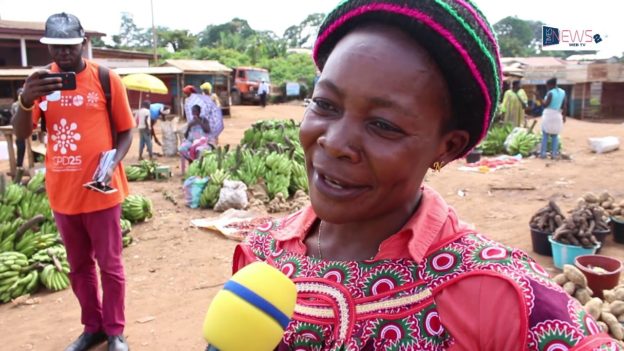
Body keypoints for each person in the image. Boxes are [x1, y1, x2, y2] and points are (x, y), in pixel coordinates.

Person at [231, 1, 620, 350]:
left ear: (447, 147)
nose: (334, 143)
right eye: (325, 104)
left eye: (383, 124)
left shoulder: (500, 294)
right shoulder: (259, 255)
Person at [12, 13, 133, 351]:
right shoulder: (40, 83)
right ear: (48, 46)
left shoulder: (106, 79)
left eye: (70, 45)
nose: (63, 53)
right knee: (79, 267)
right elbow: (22, 134)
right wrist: (24, 99)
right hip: (63, 194)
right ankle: (92, 327)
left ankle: (115, 332)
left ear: (82, 42)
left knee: (110, 265)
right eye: (56, 46)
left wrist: (113, 162)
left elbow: (125, 131)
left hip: (102, 192)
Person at [540, 77, 567, 159]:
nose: (547, 87)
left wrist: (538, 97)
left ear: (551, 85)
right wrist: (564, 116)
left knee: (545, 134)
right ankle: (554, 154)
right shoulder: (563, 92)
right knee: (555, 135)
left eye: (547, 86)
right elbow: (564, 106)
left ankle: (543, 154)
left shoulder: (550, 93)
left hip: (548, 115)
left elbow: (545, 105)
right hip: (557, 114)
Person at [10, 89, 27, 182]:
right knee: (21, 146)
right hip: (21, 129)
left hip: (31, 127)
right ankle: (19, 165)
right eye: (19, 93)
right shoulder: (15, 105)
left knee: (35, 146)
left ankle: (37, 164)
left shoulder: (30, 102)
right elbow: (13, 116)